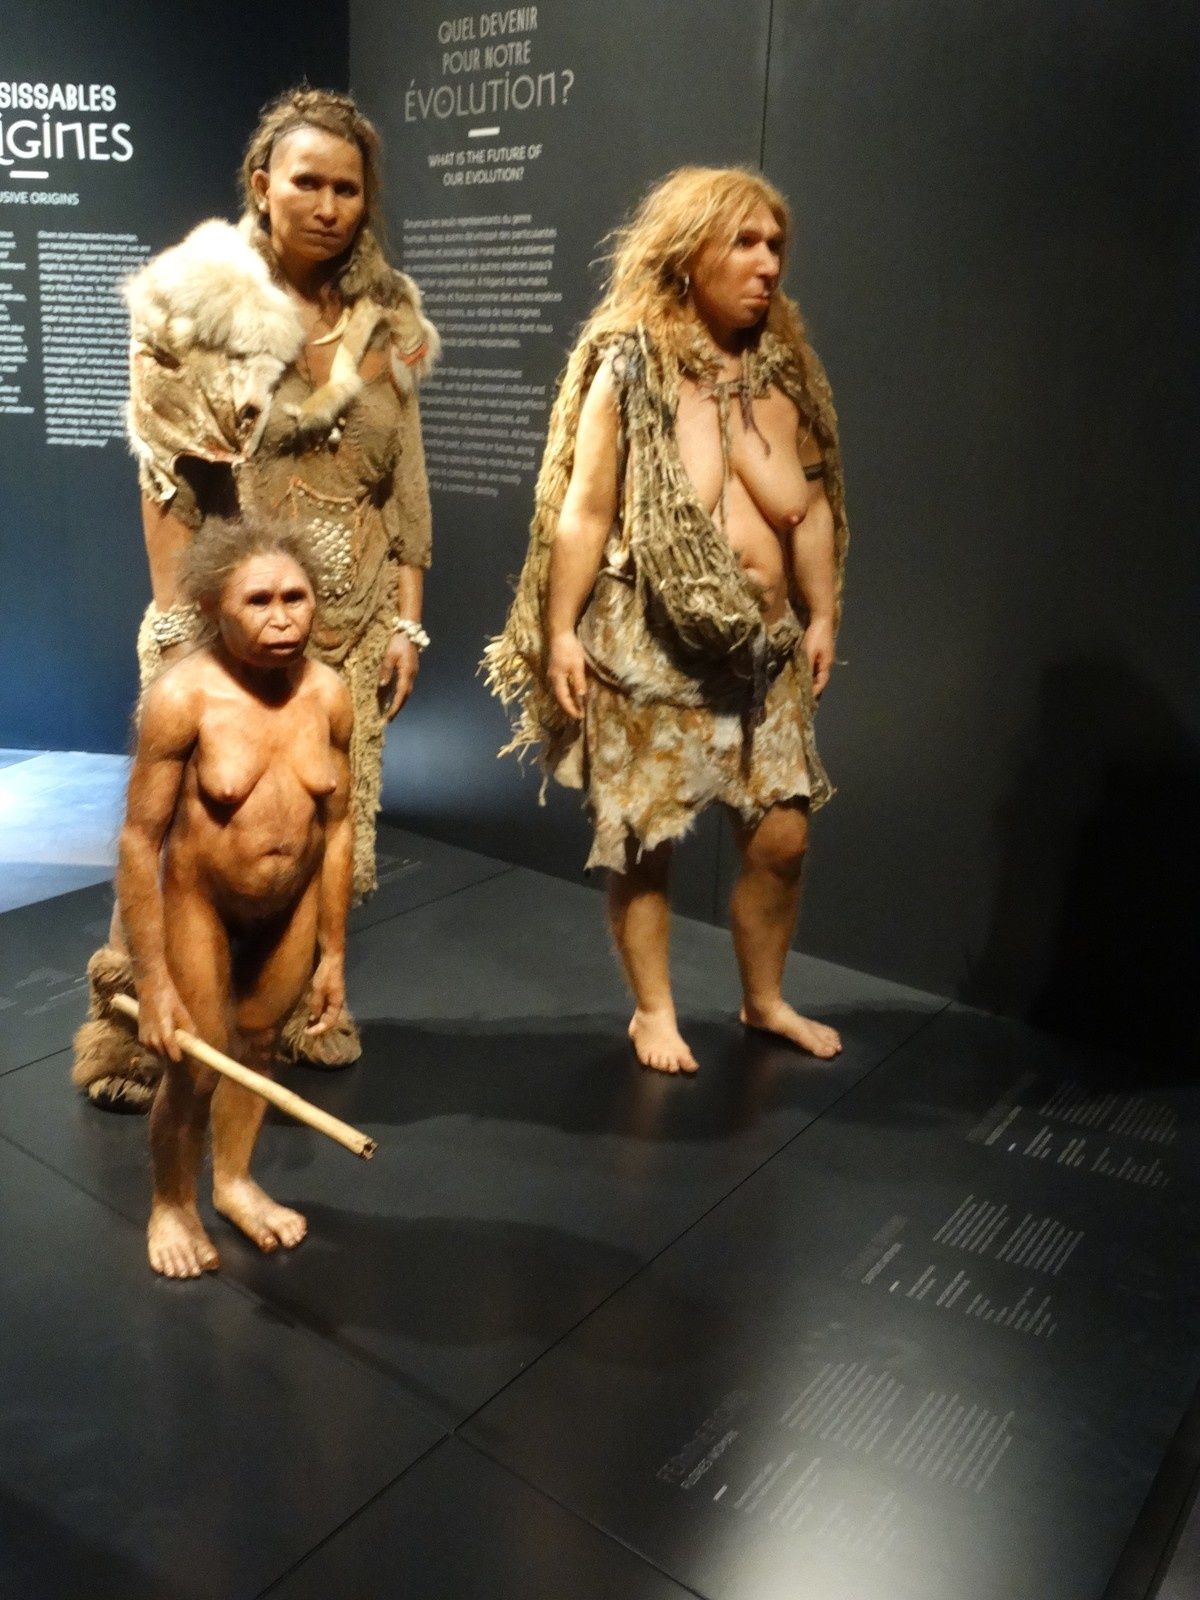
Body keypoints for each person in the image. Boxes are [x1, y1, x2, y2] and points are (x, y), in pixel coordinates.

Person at [73, 86, 437, 1110]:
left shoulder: (390, 319)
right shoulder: (197, 304)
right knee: (189, 827)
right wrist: (183, 629)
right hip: (229, 620)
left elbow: (405, 479)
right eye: (307, 182)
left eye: (347, 189)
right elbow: (166, 480)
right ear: (262, 184)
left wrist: (407, 616)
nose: (328, 206)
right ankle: (130, 1029)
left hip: (348, 622)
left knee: (314, 824)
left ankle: (297, 1006)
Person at [485, 167, 849, 1075]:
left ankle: (764, 999)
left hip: (763, 655)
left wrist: (823, 613)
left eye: (775, 245)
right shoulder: (632, 367)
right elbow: (584, 511)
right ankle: (653, 1009)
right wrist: (560, 630)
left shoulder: (786, 373)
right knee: (645, 841)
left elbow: (812, 505)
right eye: (743, 243)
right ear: (688, 255)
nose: (767, 264)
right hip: (648, 644)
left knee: (784, 839)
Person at [113, 518, 352, 1278]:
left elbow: (339, 828)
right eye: (259, 601)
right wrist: (152, 979)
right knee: (198, 1062)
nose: (282, 619)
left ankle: (235, 1181)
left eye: (295, 598)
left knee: (258, 1043)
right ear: (216, 607)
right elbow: (139, 842)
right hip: (202, 901)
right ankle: (172, 1202)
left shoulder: (329, 694)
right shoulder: (182, 697)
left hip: (293, 904)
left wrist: (334, 951)